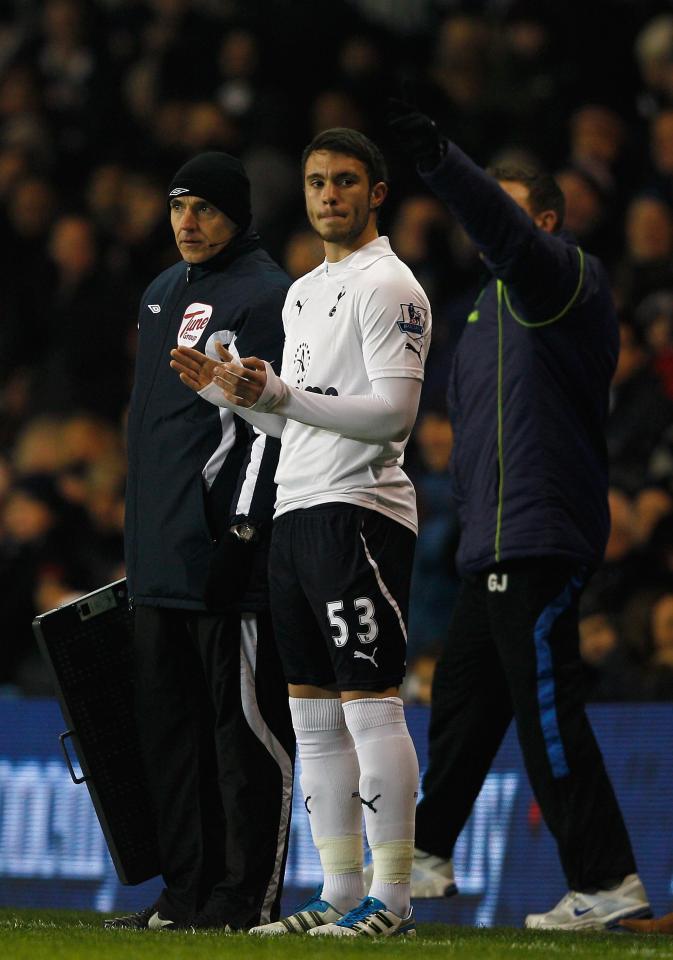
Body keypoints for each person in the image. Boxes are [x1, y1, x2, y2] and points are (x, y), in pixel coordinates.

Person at [385, 102, 651, 931]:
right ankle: (426, 854)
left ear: (538, 219)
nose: (478, 228)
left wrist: (442, 166)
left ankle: (606, 880)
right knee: (464, 702)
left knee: (544, 708)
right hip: (490, 540)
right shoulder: (476, 316)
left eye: (495, 211)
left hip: (538, 533)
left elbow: (502, 237)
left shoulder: (566, 278)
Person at [170, 127, 431, 938]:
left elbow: (393, 413)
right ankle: (338, 891)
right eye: (316, 181)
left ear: (374, 193)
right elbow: (296, 422)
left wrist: (280, 397)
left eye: (345, 181)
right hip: (296, 507)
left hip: (359, 512)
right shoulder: (303, 292)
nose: (327, 195)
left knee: (370, 703)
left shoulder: (391, 286)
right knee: (311, 711)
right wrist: (233, 396)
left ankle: (391, 896)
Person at [105, 152, 295, 931]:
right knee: (170, 741)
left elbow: (267, 428)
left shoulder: (267, 296)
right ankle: (183, 896)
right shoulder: (158, 293)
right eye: (179, 206)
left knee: (241, 739)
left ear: (237, 215)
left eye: (205, 209)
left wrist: (241, 534)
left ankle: (243, 896)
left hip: (223, 558)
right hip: (158, 559)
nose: (188, 221)